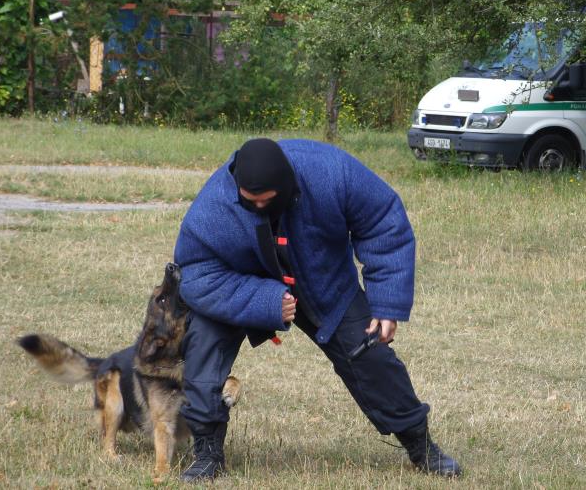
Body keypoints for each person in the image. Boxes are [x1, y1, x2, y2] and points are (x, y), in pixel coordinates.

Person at [173, 138, 461, 482]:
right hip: (241, 284)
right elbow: (195, 273)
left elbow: (384, 221)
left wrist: (386, 303)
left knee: (370, 354)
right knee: (202, 347)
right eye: (252, 203)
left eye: (270, 200)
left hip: (323, 282)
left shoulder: (329, 171)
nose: (262, 206)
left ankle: (420, 445)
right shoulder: (215, 205)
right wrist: (265, 300)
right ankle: (207, 451)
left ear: (288, 185)